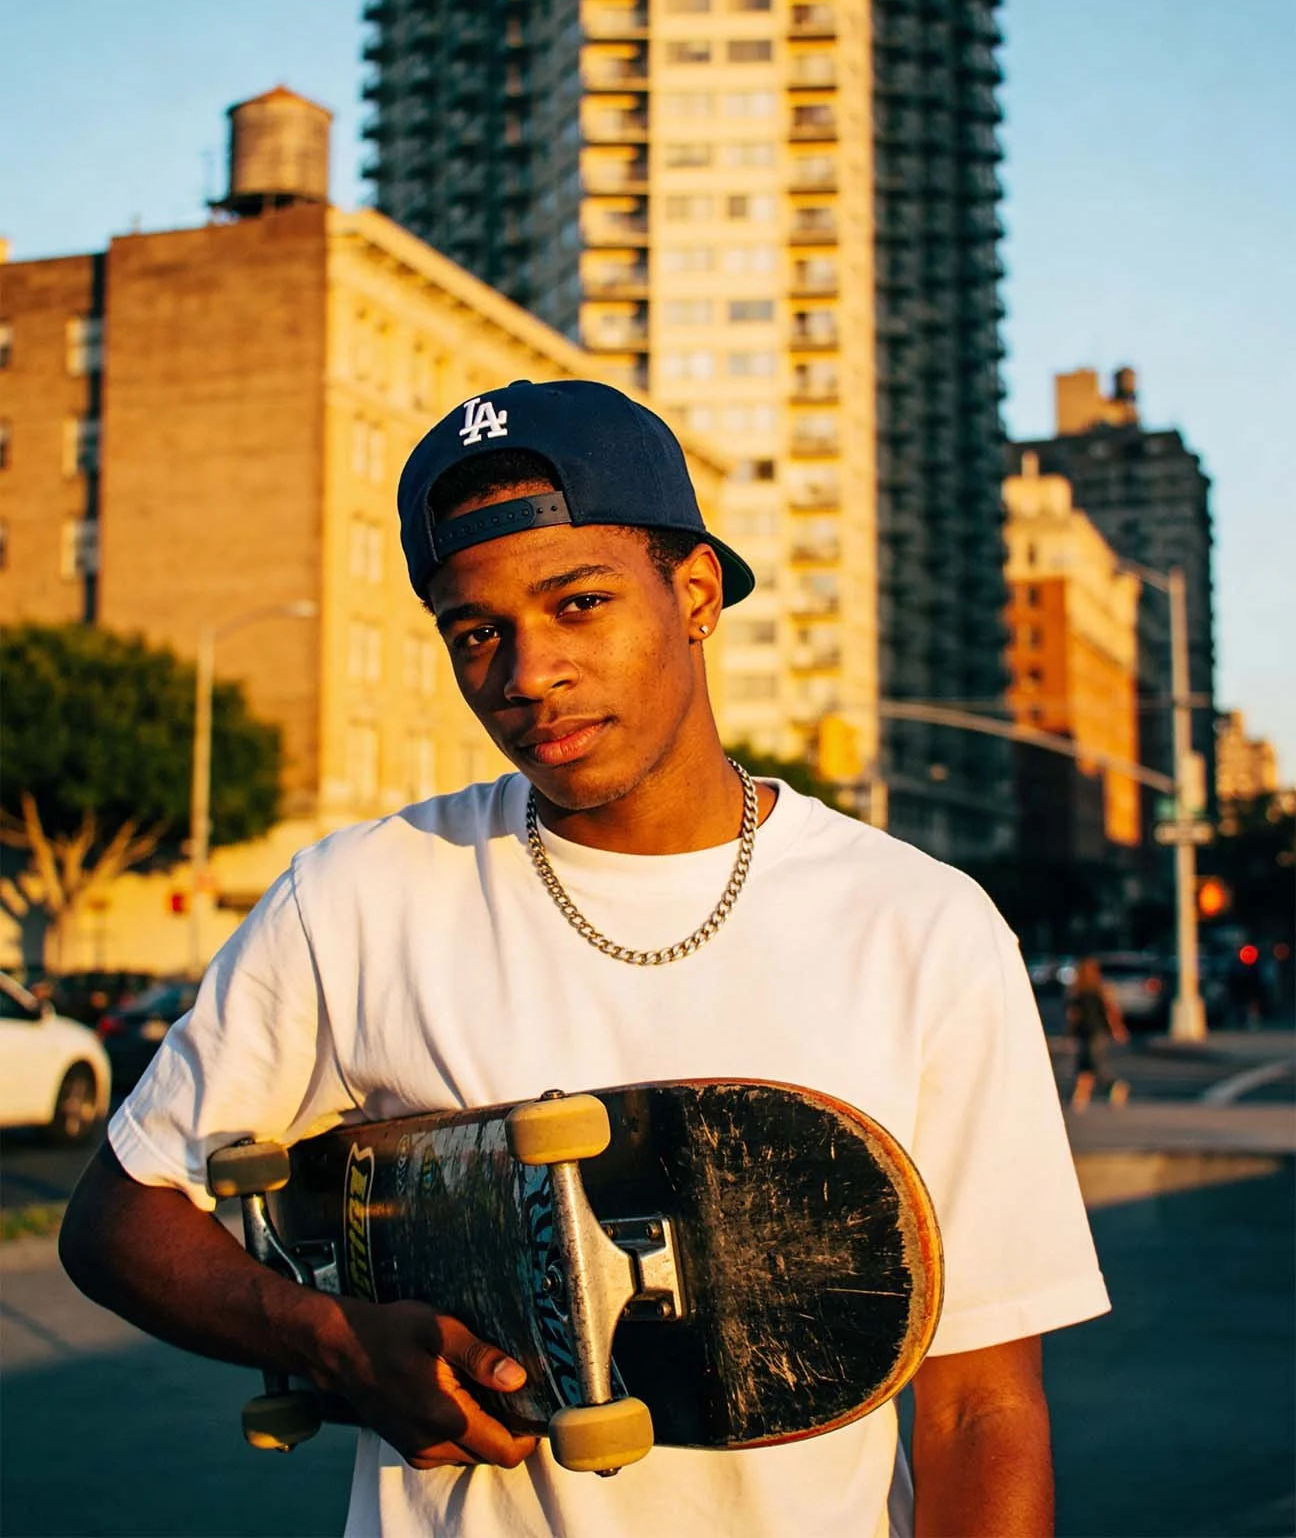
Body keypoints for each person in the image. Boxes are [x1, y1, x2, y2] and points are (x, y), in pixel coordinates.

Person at [60, 379, 1109, 1538]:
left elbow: (980, 1408)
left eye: (579, 603)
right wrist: (330, 1342)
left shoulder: (922, 925)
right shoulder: (360, 895)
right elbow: (119, 1216)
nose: (527, 673)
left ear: (696, 593)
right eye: (478, 633)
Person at [1066, 957, 1130, 1111]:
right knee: (1084, 1065)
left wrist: (1117, 1029)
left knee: (1095, 1065)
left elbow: (1074, 1015)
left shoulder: (1083, 991)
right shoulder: (1090, 990)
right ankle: (1081, 1096)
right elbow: (1111, 1012)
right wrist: (1117, 1029)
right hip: (1094, 1031)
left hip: (1094, 1032)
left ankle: (1116, 1086)